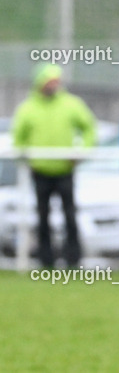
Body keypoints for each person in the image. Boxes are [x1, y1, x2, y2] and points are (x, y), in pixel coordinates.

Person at [12, 63, 96, 267]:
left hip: (65, 170)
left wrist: (82, 150)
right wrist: (28, 157)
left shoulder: (71, 104)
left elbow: (89, 128)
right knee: (42, 217)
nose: (54, 85)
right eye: (50, 81)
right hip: (40, 171)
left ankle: (73, 258)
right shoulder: (28, 108)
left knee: (70, 215)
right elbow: (18, 138)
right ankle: (45, 259)